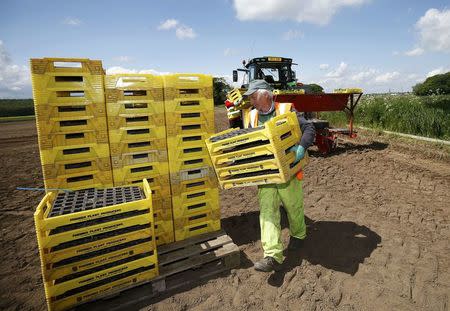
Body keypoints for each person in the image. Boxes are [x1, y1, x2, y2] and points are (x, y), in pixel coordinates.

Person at [242, 79, 315, 272]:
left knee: (293, 206)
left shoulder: (286, 110)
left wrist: (301, 147)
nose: (251, 100)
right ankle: (272, 255)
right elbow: (247, 142)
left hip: (288, 170)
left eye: (253, 96)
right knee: (267, 212)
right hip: (266, 173)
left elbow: (309, 128)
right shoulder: (251, 116)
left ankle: (298, 234)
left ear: (265, 94)